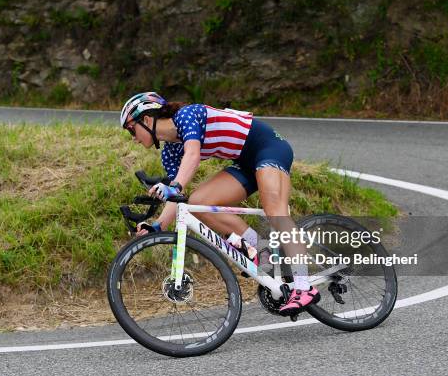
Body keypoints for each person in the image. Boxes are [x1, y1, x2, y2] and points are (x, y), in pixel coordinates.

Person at [120, 92, 320, 315]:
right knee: (198, 203)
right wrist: (157, 225)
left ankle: (304, 286)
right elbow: (178, 196)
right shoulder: (169, 151)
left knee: (275, 211)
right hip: (244, 163)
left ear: (146, 120)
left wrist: (174, 185)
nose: (133, 137)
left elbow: (193, 155)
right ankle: (262, 251)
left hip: (269, 148)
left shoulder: (186, 115)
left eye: (130, 129)